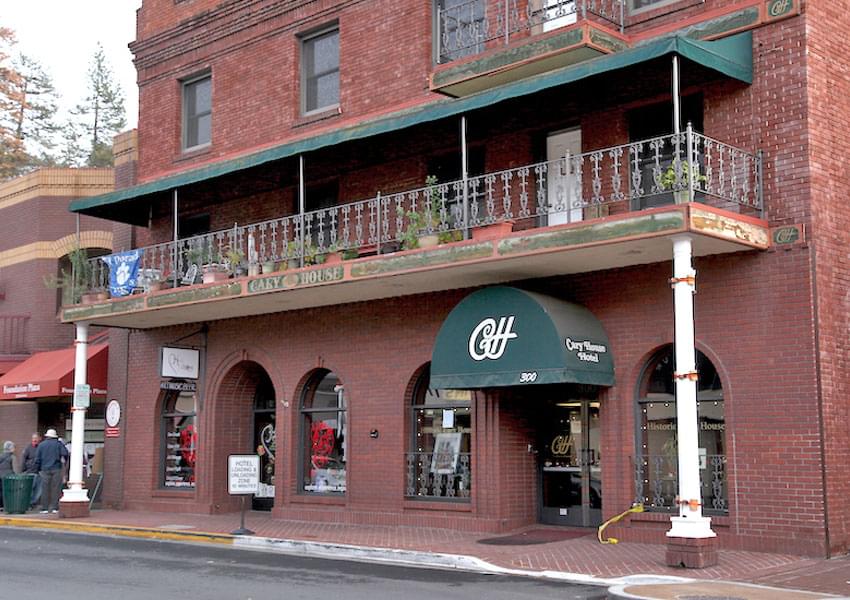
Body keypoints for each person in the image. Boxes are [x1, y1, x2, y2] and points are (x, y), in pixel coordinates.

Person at [34, 429, 68, 514]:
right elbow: (65, 453)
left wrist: (37, 469)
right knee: (56, 489)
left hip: (44, 469)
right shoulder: (58, 444)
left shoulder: (41, 445)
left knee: (45, 489)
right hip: (56, 468)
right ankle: (54, 508)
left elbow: (37, 459)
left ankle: (44, 508)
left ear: (47, 436)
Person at [21, 433, 42, 509]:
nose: (35, 440)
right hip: (30, 471)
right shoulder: (28, 448)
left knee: (38, 489)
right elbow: (23, 459)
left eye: (36, 438)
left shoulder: (40, 447)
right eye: (33, 438)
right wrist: (23, 469)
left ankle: (33, 503)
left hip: (39, 471)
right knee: (30, 488)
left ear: (39, 439)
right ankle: (29, 503)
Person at [0, 441, 21, 512]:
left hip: (0, 477)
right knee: (9, 492)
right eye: (13, 447)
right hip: (9, 478)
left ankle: (1, 506)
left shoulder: (0, 456)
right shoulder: (12, 457)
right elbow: (16, 470)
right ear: (10, 448)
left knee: (1, 491)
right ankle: (7, 506)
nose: (14, 449)